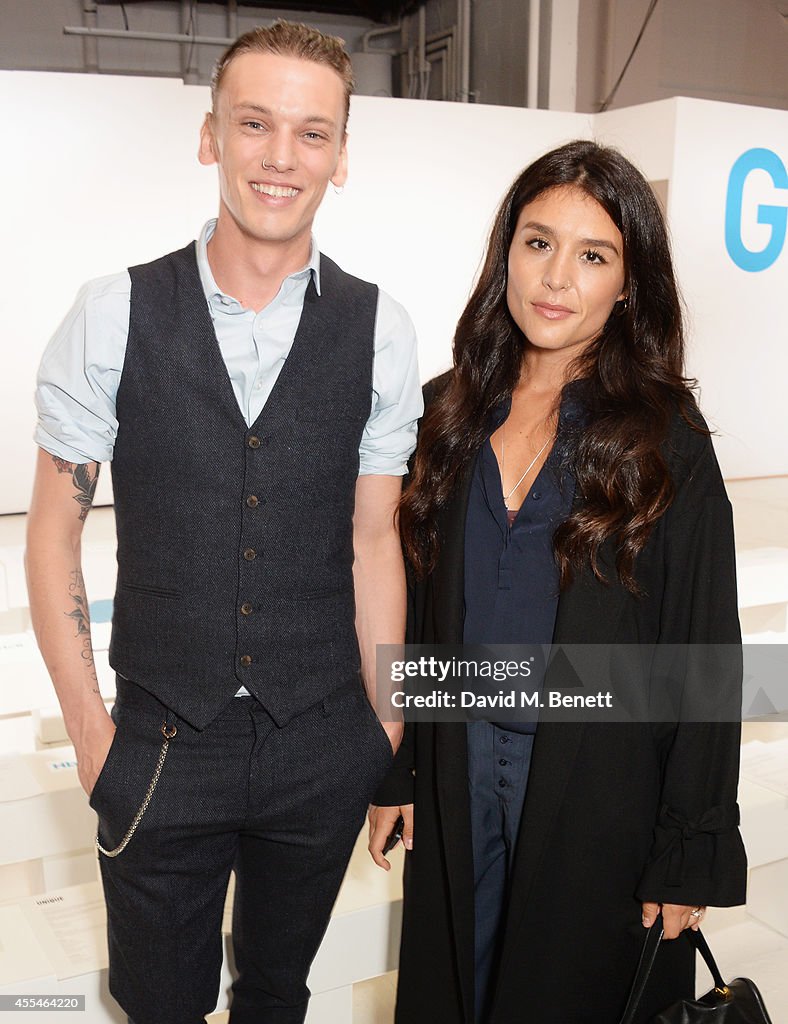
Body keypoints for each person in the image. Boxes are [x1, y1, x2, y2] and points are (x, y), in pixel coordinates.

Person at [25, 21, 421, 1024]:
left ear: (339, 155)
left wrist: (384, 722)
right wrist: (89, 731)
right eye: (254, 124)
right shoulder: (112, 311)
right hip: (160, 739)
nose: (280, 156)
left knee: (277, 993)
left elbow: (374, 538)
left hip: (323, 735)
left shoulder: (379, 330)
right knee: (159, 1003)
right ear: (210, 138)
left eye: (310, 132)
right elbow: (53, 530)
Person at [368, 140, 747, 1023]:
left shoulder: (667, 443)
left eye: (593, 255)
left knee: (568, 992)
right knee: (459, 985)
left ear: (628, 285)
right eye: (538, 243)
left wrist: (685, 853)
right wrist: (398, 769)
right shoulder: (445, 413)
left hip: (600, 784)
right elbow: (417, 605)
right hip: (462, 767)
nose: (556, 277)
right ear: (506, 252)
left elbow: (705, 656)